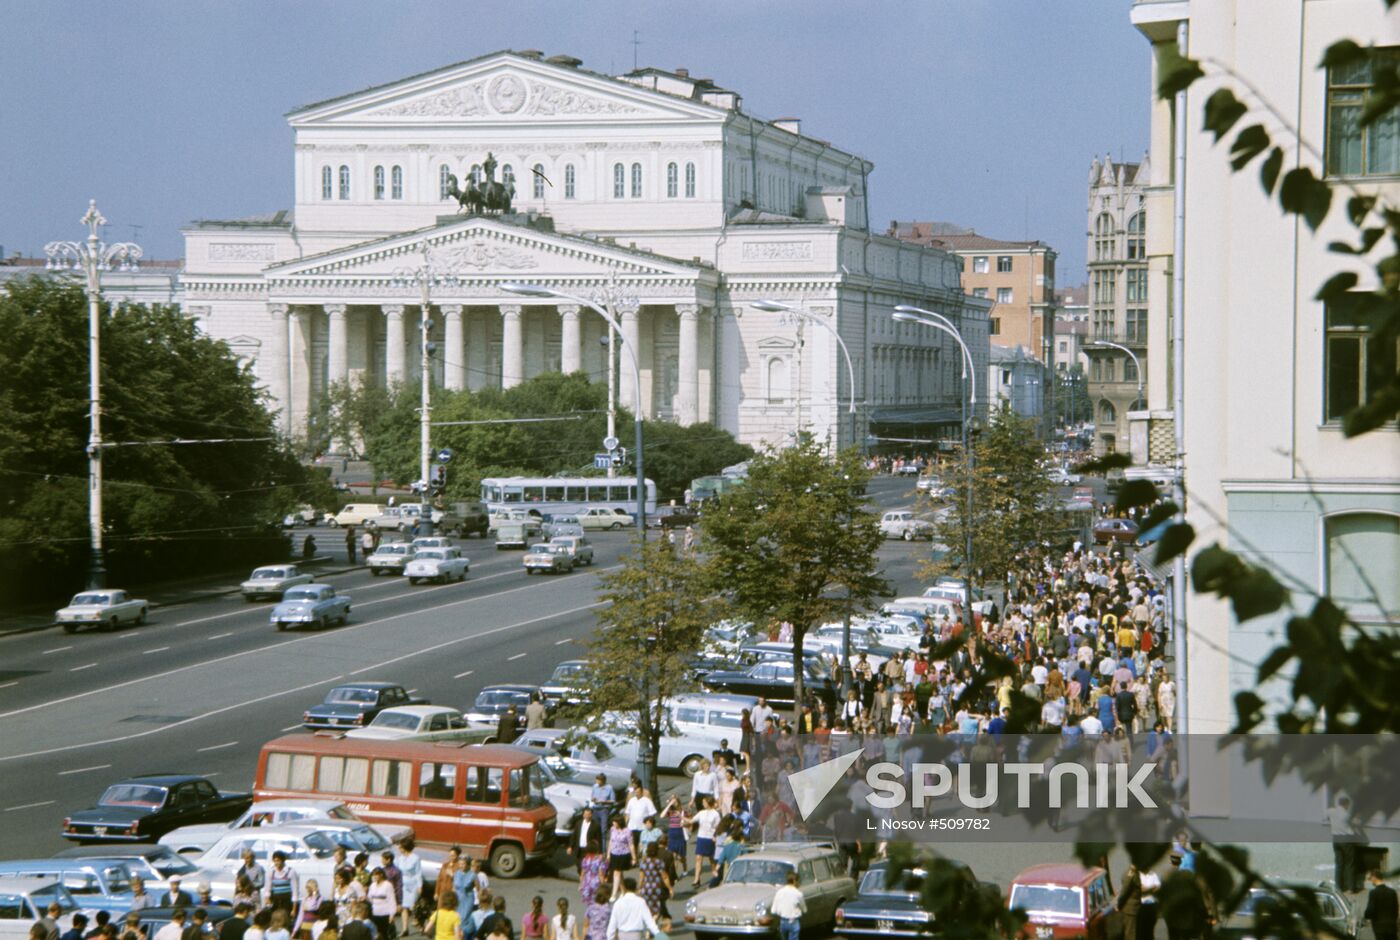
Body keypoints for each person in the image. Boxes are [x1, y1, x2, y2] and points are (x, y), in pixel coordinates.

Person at [1329, 794, 1365, 893]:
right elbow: (1357, 823)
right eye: (1348, 805)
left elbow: (1327, 816)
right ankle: (1350, 888)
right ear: (1346, 804)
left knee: (1339, 864)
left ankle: (1338, 887)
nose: (1348, 807)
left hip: (1335, 839)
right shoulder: (1346, 815)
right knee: (1350, 863)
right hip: (1346, 840)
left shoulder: (1332, 812)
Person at [690, 795, 721, 888]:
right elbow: (692, 820)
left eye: (704, 802)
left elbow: (718, 827)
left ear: (708, 803)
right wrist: (683, 819)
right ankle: (696, 879)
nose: (703, 804)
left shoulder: (716, 814)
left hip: (710, 838)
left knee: (712, 860)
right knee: (698, 858)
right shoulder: (701, 813)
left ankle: (715, 877)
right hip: (701, 837)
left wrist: (715, 837)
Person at [395, 839, 424, 936]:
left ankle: (422, 926)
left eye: (401, 847)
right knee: (404, 907)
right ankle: (405, 929)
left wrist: (420, 886)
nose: (399, 849)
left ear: (405, 848)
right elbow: (397, 871)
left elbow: (418, 873)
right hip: (403, 884)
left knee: (413, 907)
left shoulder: (415, 858)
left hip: (413, 885)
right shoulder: (400, 858)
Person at [771, 871, 807, 940]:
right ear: (794, 881)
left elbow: (773, 910)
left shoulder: (779, 892)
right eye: (798, 881)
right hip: (794, 921)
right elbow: (804, 909)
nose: (799, 884)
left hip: (783, 921)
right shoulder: (798, 894)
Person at [636, 844, 669, 918]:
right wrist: (670, 888)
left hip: (646, 888)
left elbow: (641, 877)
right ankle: (652, 924)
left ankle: (650, 925)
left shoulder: (643, 862)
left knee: (648, 909)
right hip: (656, 888)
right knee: (658, 910)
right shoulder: (659, 862)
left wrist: (639, 887)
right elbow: (665, 877)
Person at [606, 816, 634, 900]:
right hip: (614, 853)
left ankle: (614, 894)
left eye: (615, 822)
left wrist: (634, 857)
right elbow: (611, 841)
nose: (613, 824)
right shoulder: (612, 829)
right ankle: (623, 890)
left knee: (616, 873)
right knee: (618, 873)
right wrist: (608, 853)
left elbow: (631, 844)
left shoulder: (627, 831)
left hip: (623, 854)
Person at [1365, 870, 1398, 940]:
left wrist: (1366, 915)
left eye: (1370, 879)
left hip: (1380, 929)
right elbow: (1396, 911)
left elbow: (1370, 911)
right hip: (1392, 927)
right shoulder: (1392, 892)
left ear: (1374, 878)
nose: (1370, 881)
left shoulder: (1373, 893)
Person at [267, 853, 301, 919]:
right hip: (276, 901)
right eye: (275, 861)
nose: (276, 863)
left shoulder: (291, 871)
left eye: (278, 861)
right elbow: (268, 888)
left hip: (287, 902)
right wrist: (268, 899)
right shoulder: (272, 871)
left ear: (283, 861)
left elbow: (295, 892)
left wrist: (294, 909)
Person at [1116, 863, 1142, 940]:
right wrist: (1119, 905)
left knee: (1132, 932)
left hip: (1133, 908)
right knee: (1130, 934)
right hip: (1130, 909)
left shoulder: (1135, 872)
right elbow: (1124, 892)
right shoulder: (1130, 875)